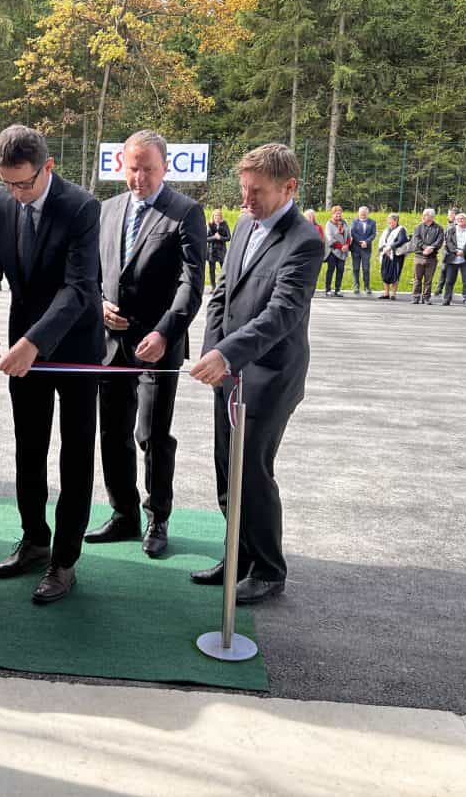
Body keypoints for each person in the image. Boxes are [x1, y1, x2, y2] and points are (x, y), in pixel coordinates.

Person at [0, 125, 103, 604]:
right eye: (8, 183)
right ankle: (33, 539)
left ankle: (64, 560)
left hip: (77, 348)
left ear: (48, 167)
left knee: (76, 454)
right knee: (29, 447)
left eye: (25, 184)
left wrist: (34, 342)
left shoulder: (81, 207)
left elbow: (80, 288)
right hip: (23, 352)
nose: (17, 195)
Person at [188, 143, 322, 605]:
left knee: (253, 471)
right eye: (243, 190)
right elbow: (221, 293)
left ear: (289, 188)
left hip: (268, 376)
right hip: (227, 373)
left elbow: (283, 313)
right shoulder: (244, 226)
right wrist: (213, 353)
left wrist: (227, 354)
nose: (246, 201)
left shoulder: (304, 240)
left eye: (256, 192)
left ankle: (267, 569)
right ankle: (239, 555)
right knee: (226, 468)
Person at [87, 130, 205, 558]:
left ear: (165, 168)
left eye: (148, 169)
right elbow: (92, 273)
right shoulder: (107, 210)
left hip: (159, 346)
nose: (139, 178)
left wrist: (164, 332)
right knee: (113, 432)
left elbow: (192, 285)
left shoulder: (185, 212)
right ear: (122, 166)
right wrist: (99, 304)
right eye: (133, 168)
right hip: (111, 345)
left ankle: (158, 515)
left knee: (152, 434)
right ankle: (123, 515)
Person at [440, 212, 466, 306]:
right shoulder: (451, 230)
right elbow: (449, 242)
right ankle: (447, 299)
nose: (460, 220)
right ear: (455, 221)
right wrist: (455, 251)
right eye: (458, 219)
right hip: (452, 258)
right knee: (449, 280)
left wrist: (463, 251)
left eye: (462, 219)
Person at [410, 208, 443, 304]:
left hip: (431, 257)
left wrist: (431, 248)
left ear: (431, 217)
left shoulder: (438, 228)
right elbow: (416, 239)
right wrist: (425, 248)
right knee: (417, 278)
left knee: (428, 279)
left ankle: (426, 298)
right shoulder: (418, 227)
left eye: (425, 215)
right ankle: (415, 297)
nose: (423, 216)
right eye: (423, 215)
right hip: (419, 256)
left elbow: (439, 241)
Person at [376, 212, 409, 299]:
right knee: (385, 273)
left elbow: (402, 240)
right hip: (386, 255)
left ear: (396, 221)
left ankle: (393, 294)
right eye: (389, 222)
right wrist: (384, 249)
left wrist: (390, 247)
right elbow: (383, 242)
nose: (390, 224)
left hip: (396, 256)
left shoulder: (401, 229)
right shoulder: (387, 230)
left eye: (391, 222)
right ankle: (386, 293)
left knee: (395, 274)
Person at [323, 205, 350, 296]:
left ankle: (337, 289)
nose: (338, 216)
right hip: (333, 251)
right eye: (336, 215)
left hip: (343, 252)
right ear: (332, 214)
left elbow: (349, 236)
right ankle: (328, 289)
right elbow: (330, 238)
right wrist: (340, 246)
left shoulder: (344, 223)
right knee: (331, 270)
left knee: (340, 270)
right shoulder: (329, 224)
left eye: (340, 214)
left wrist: (346, 245)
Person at [349, 205, 376, 295]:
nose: (363, 215)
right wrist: (361, 242)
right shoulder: (354, 222)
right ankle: (356, 286)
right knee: (355, 268)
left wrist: (366, 242)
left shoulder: (372, 222)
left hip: (366, 249)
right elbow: (353, 232)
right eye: (361, 213)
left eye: (364, 213)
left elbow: (373, 234)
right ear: (358, 213)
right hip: (356, 248)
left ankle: (367, 287)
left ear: (367, 213)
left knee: (366, 268)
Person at [206, 209, 230, 291]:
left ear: (221, 216)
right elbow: (205, 238)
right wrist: (214, 237)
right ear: (213, 216)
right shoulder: (209, 225)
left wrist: (220, 238)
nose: (217, 217)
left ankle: (225, 286)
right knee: (211, 270)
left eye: (219, 215)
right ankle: (213, 287)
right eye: (215, 215)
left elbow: (228, 238)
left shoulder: (224, 224)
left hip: (221, 251)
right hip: (211, 251)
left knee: (224, 269)